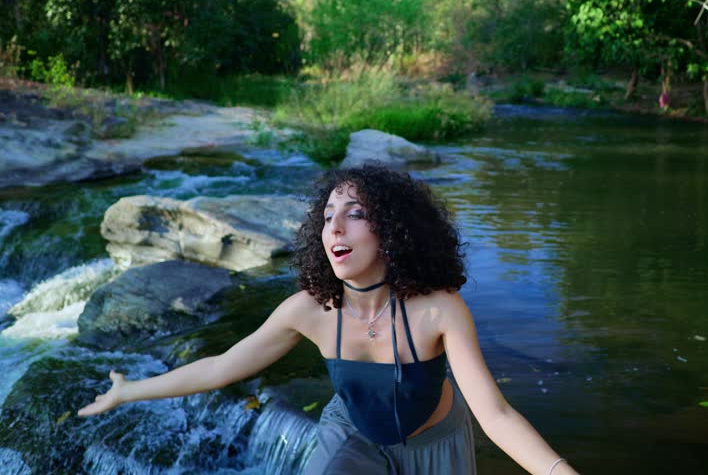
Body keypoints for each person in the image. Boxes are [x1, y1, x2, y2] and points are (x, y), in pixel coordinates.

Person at [78, 164, 578, 475]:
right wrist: (128, 391)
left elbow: (496, 416)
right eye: (327, 216)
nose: (334, 227)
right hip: (352, 436)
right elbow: (220, 367)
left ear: (392, 232)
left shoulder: (438, 309)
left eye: (354, 213)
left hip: (434, 446)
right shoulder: (309, 310)